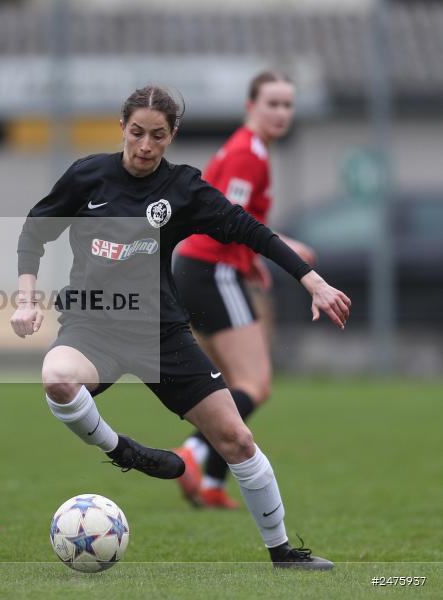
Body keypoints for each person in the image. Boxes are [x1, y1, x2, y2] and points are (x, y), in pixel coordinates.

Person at [10, 85, 349, 569]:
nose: (145, 146)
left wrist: (312, 281)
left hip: (160, 334)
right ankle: (124, 451)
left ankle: (283, 553)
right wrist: (26, 299)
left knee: (237, 440)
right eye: (137, 133)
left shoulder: (183, 189)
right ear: (122, 126)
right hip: (93, 329)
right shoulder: (88, 176)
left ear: (172, 136)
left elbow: (249, 229)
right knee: (57, 378)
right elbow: (34, 231)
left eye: (158, 136)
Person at [172, 71, 316, 510]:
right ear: (250, 106)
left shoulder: (249, 149)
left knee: (230, 383)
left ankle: (213, 483)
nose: (280, 112)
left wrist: (251, 261)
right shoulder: (247, 153)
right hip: (212, 271)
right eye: (271, 103)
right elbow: (228, 219)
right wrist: (286, 249)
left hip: (203, 268)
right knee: (256, 383)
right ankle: (194, 451)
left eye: (287, 105)